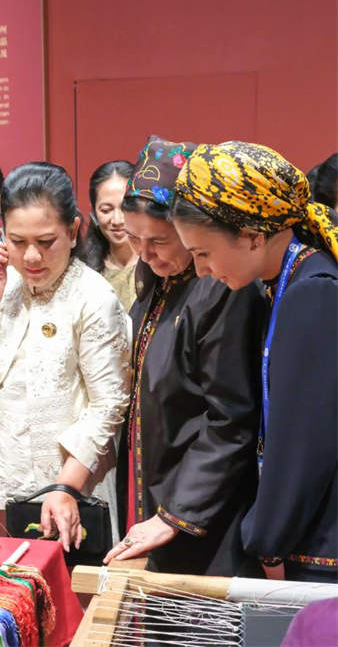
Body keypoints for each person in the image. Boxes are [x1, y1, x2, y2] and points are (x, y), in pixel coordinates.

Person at [171, 140, 338, 583]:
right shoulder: (287, 282)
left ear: (252, 235)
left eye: (203, 253)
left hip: (321, 549)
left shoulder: (312, 291)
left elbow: (305, 444)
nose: (202, 270)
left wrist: (267, 539)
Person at [104, 137, 265, 577]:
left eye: (158, 240)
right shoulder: (158, 279)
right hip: (157, 484)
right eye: (132, 238)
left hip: (204, 507)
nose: (144, 253)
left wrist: (175, 514)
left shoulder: (222, 286)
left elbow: (231, 418)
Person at [0, 161, 130, 552]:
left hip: (58, 491)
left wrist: (66, 485)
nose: (31, 256)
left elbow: (109, 404)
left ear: (73, 230)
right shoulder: (7, 282)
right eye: (17, 241)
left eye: (46, 241)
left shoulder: (93, 298)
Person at [84, 160, 138, 309]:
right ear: (94, 212)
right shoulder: (84, 271)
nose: (117, 220)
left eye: (124, 207)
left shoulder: (159, 265)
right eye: (106, 210)